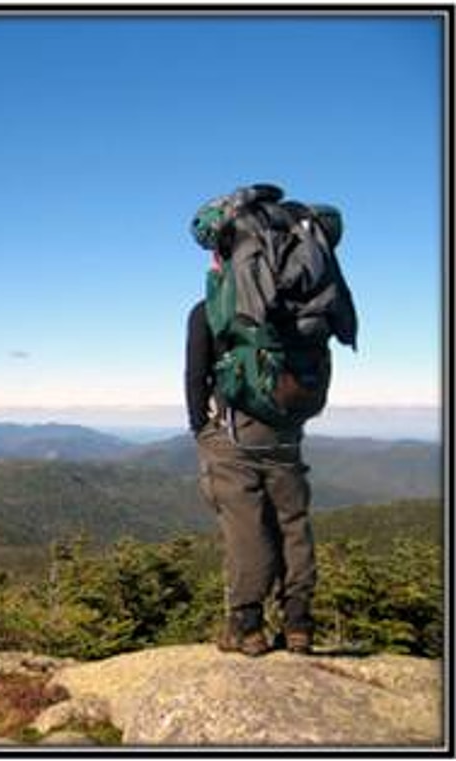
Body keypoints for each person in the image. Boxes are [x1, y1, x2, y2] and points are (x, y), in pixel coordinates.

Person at [185, 252, 317, 657]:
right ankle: (298, 624)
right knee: (292, 521)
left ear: (221, 259)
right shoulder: (293, 306)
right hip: (285, 430)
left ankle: (247, 626)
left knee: (246, 525)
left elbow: (195, 374)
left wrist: (200, 426)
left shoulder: (209, 309)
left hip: (233, 431)